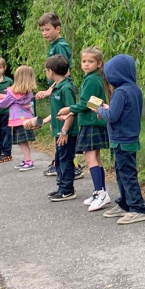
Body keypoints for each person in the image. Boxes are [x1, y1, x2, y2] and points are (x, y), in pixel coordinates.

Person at [58, 47, 112, 212]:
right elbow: (94, 102)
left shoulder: (90, 80)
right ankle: (100, 192)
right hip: (95, 122)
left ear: (99, 63)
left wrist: (69, 109)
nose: (86, 64)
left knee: (90, 159)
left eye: (90, 61)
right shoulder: (95, 78)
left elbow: (86, 103)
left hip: (90, 124)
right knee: (96, 157)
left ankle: (100, 193)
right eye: (84, 61)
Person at [96, 54, 145, 225]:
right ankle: (125, 203)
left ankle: (138, 208)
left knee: (126, 174)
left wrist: (99, 109)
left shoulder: (119, 92)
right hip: (130, 138)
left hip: (121, 139)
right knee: (122, 172)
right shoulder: (135, 89)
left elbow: (112, 116)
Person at [34, 12, 78, 179]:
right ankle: (59, 163)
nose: (44, 33)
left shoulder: (60, 46)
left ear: (57, 28)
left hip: (60, 89)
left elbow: (64, 71)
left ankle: (71, 165)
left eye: (47, 29)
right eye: (42, 30)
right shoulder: (53, 44)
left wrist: (50, 89)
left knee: (62, 128)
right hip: (56, 88)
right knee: (56, 128)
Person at [0, 65, 38, 171]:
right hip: (27, 119)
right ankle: (27, 160)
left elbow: (3, 104)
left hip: (18, 120)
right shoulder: (28, 92)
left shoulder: (13, 92)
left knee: (21, 142)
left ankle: (28, 161)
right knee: (24, 141)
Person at [43, 55, 78, 201]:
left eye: (46, 70)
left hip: (67, 133)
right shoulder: (56, 88)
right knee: (59, 158)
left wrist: (64, 131)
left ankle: (67, 189)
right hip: (59, 130)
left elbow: (71, 111)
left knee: (65, 159)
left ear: (51, 72)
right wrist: (47, 122)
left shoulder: (66, 88)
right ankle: (61, 186)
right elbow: (57, 111)